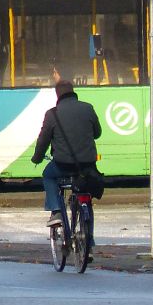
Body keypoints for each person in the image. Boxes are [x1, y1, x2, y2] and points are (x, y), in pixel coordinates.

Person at [31, 79, 102, 226]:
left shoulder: (52, 114)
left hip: (63, 165)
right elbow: (97, 133)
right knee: (85, 195)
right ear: (73, 91)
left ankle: (56, 211)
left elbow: (43, 140)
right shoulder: (88, 108)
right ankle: (90, 238)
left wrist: (37, 158)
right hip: (87, 165)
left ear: (57, 95)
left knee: (48, 175)